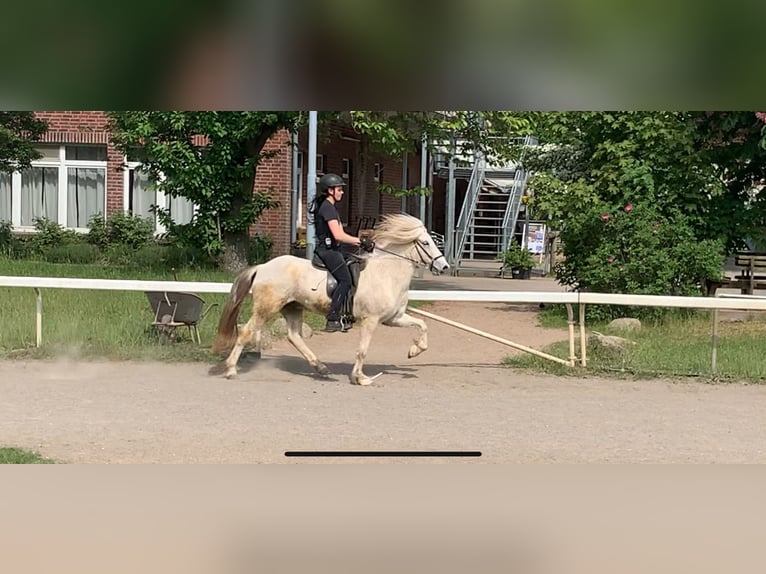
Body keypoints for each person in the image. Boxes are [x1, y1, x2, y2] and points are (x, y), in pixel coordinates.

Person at [309, 173, 372, 332]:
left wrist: (359, 242)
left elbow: (342, 234)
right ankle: (333, 317)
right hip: (327, 251)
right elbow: (338, 235)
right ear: (330, 191)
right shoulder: (327, 208)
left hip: (335, 249)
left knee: (354, 262)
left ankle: (348, 311)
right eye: (339, 189)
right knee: (345, 280)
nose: (342, 192)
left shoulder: (330, 208)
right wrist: (360, 241)